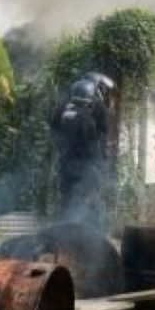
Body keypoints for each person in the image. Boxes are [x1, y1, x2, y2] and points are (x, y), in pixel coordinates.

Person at [51, 72, 114, 221]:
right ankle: (87, 234)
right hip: (87, 165)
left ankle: (66, 230)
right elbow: (100, 137)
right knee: (88, 201)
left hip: (66, 162)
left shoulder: (63, 108)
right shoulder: (93, 111)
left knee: (68, 198)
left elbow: (54, 132)